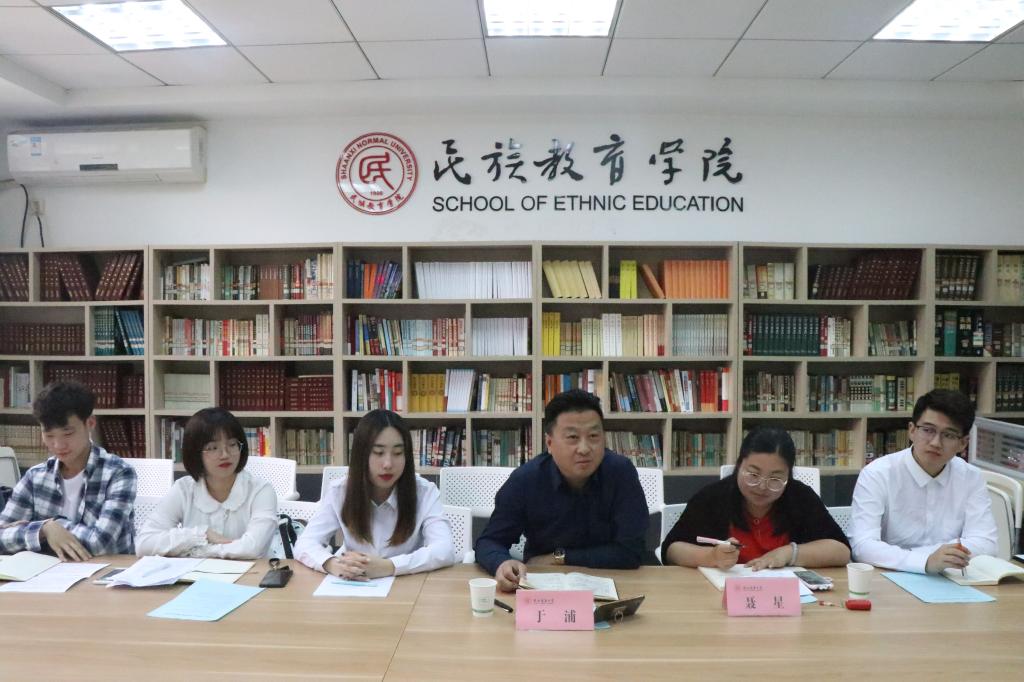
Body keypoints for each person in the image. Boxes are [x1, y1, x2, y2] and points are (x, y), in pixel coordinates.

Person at [475, 389, 649, 592]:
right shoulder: (526, 480)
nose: (584, 448)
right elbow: (489, 541)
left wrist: (560, 557)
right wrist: (502, 563)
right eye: (572, 437)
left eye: (593, 436)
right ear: (549, 443)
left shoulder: (621, 473)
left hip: (614, 582)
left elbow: (632, 552)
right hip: (544, 584)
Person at [850, 389, 997, 574]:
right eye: (928, 430)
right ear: (912, 430)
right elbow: (862, 546)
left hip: (952, 577)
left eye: (949, 435)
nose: (936, 442)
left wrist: (938, 557)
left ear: (963, 443)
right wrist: (926, 561)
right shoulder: (878, 474)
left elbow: (986, 543)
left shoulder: (971, 477)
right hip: (890, 577)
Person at [294, 409, 454, 578]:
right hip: (355, 585)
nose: (388, 464)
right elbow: (305, 543)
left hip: (408, 584)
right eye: (378, 453)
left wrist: (389, 567)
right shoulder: (339, 491)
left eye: (398, 453)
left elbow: (444, 549)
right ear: (361, 455)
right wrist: (333, 564)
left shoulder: (425, 492)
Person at [661, 427, 850, 570]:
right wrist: (711, 557)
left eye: (775, 479)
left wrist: (789, 553)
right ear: (739, 466)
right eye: (753, 474)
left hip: (783, 597)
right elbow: (672, 550)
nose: (762, 487)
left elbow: (841, 551)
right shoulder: (713, 497)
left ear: (788, 475)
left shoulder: (800, 497)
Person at [0, 381, 136, 559]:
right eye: (49, 435)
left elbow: (100, 543)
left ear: (90, 423)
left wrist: (54, 526)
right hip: (48, 572)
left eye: (68, 434)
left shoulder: (119, 473)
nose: (58, 445)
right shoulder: (35, 477)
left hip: (107, 572)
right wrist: (44, 529)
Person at [136, 407, 277, 559]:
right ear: (195, 453)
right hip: (194, 573)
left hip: (253, 572)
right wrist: (200, 534)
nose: (225, 454)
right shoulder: (183, 489)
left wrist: (200, 551)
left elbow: (252, 548)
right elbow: (144, 544)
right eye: (213, 448)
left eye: (232, 444)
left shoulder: (261, 490)